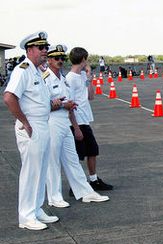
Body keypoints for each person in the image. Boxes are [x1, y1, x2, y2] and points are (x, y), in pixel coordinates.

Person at [3, 31, 60, 230]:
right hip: (31, 126)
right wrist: (24, 122)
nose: (46, 51)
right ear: (30, 50)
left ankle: (36, 209)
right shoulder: (23, 69)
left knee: (41, 170)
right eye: (41, 48)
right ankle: (26, 216)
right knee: (31, 172)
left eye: (46, 47)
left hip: (42, 125)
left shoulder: (37, 70)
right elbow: (9, 97)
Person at [44, 44, 109, 208]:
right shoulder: (44, 78)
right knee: (53, 161)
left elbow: (71, 103)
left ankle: (85, 192)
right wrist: (62, 107)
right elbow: (41, 104)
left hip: (66, 121)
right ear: (49, 60)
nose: (60, 61)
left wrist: (73, 121)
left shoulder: (63, 78)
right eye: (56, 58)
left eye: (62, 58)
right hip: (52, 122)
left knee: (72, 159)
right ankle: (54, 197)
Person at [67, 47, 114, 191]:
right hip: (77, 121)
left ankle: (93, 180)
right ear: (83, 60)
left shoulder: (81, 76)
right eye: (86, 59)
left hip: (84, 119)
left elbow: (90, 96)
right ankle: (76, 183)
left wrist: (88, 79)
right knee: (78, 155)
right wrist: (75, 127)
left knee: (92, 150)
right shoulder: (69, 79)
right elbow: (69, 104)